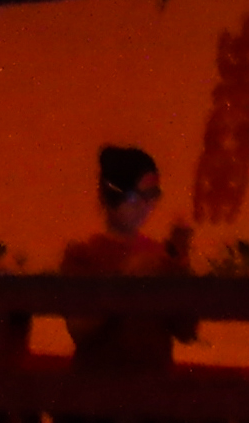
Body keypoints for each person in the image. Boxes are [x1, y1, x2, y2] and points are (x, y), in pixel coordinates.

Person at [57, 143, 186, 373]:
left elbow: (186, 330)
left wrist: (180, 269)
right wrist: (125, 277)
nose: (146, 207)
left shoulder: (159, 256)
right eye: (136, 197)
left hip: (153, 389)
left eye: (152, 196)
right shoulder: (84, 255)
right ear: (111, 196)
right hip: (98, 388)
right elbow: (79, 328)